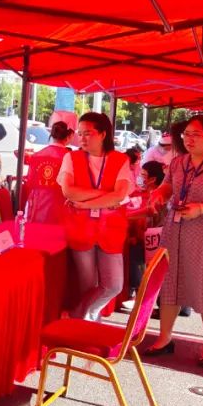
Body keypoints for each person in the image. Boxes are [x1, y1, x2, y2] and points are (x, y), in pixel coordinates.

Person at [143, 115, 203, 364]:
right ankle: (165, 337)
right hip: (174, 230)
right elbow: (167, 186)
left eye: (196, 135)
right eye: (186, 134)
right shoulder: (178, 162)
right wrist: (159, 195)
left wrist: (202, 208)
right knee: (170, 283)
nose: (189, 139)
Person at [59, 112, 133, 321]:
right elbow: (69, 191)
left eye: (88, 133)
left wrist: (85, 204)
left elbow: (120, 195)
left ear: (102, 134)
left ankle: (77, 315)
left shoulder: (120, 160)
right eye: (80, 133)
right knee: (87, 285)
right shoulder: (71, 158)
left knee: (114, 285)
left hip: (111, 229)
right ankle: (90, 325)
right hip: (80, 228)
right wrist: (106, 196)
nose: (82, 138)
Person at [126, 160, 167, 296]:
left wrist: (126, 216)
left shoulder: (160, 195)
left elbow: (149, 212)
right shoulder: (139, 194)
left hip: (156, 242)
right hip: (147, 241)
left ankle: (139, 291)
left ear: (153, 179)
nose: (139, 177)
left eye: (143, 175)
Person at [21, 120, 73, 224]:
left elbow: (30, 183)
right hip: (60, 207)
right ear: (68, 137)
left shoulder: (37, 156)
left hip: (37, 206)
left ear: (51, 135)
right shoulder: (69, 158)